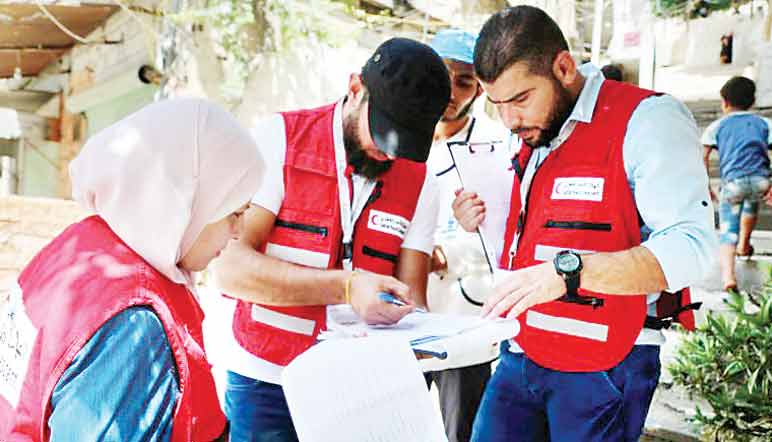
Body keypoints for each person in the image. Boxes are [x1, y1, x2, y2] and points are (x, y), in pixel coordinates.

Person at [452, 6, 717, 442]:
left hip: (609, 359)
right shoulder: (532, 127)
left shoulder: (648, 119)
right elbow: (543, 228)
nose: (510, 120)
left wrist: (569, 272)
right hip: (522, 347)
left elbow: (692, 248)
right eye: (495, 104)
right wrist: (481, 218)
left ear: (563, 66)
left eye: (520, 99)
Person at [211, 37, 450, 442]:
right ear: (356, 88)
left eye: (406, 141)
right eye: (384, 132)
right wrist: (347, 286)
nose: (390, 155)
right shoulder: (280, 139)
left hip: (362, 388)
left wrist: (431, 340)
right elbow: (230, 270)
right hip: (269, 380)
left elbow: (413, 298)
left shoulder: (422, 179)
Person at [0, 98, 265, 441]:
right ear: (192, 202)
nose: (239, 232)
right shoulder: (133, 327)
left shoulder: (81, 243)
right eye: (234, 212)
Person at [423, 28, 511, 442]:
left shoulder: (497, 146)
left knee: (459, 429)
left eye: (465, 82)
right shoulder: (395, 138)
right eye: (443, 77)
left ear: (480, 89)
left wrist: (450, 251)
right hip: (400, 309)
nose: (451, 92)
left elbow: (505, 239)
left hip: (462, 317)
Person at [701, 76, 772, 291]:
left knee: (727, 230)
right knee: (751, 204)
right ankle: (744, 246)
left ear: (725, 102)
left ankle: (728, 277)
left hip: (733, 185)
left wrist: (706, 186)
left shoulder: (717, 126)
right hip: (760, 181)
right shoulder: (764, 123)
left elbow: (702, 156)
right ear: (752, 101)